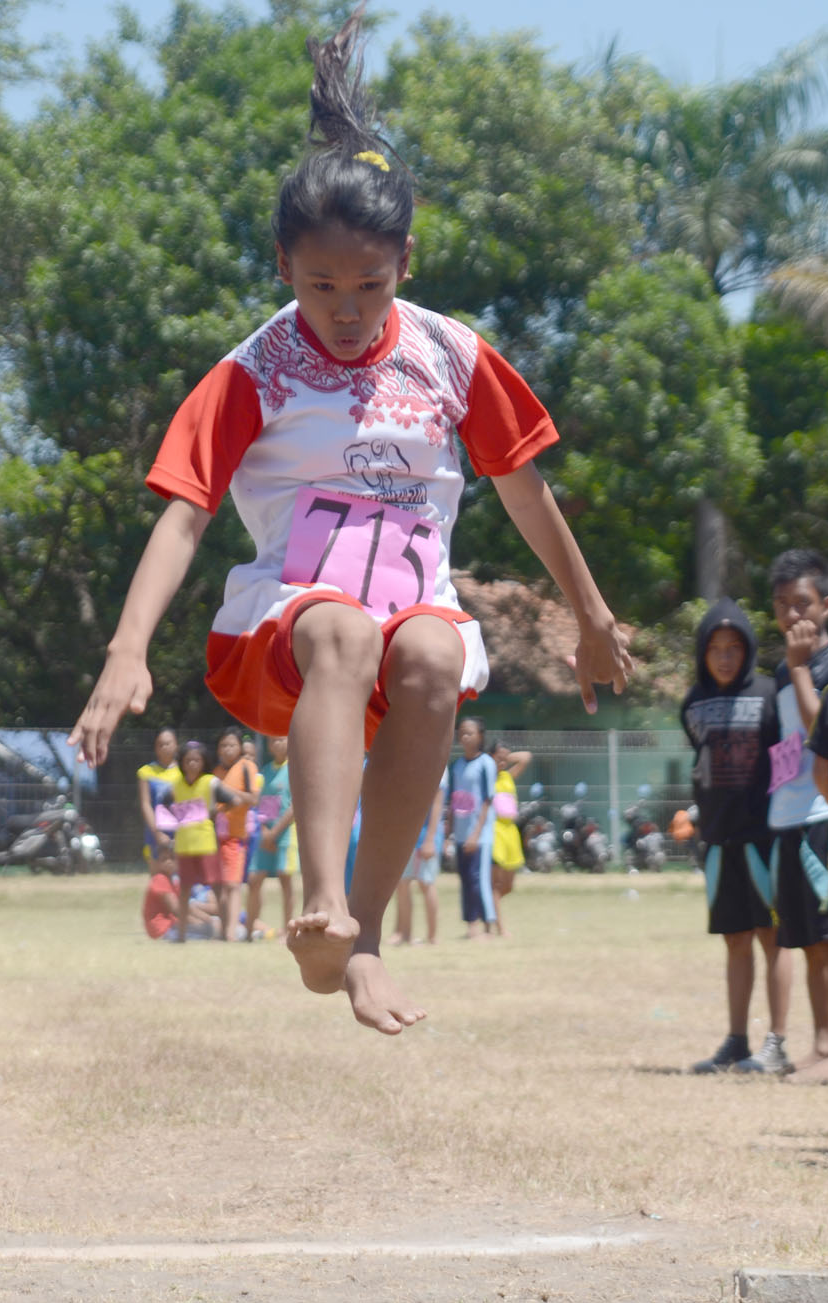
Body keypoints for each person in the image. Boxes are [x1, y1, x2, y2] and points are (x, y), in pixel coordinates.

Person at [68, 7, 631, 1033]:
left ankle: (361, 937)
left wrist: (589, 614)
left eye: (368, 284)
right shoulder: (256, 368)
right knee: (344, 627)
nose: (344, 307)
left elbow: (520, 484)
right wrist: (126, 648)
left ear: (405, 264)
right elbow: (187, 512)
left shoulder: (449, 355)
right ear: (283, 266)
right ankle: (320, 899)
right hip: (287, 634)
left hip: (403, 622)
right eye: (320, 284)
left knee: (423, 648)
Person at [679, 599, 792, 1074]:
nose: (724, 657)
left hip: (764, 840)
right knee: (735, 941)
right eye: (715, 648)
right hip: (719, 843)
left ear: (747, 651)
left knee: (773, 938)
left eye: (734, 648)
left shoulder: (770, 695)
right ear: (703, 653)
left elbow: (786, 763)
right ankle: (736, 1041)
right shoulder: (692, 703)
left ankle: (777, 1043)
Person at [767, 550, 828, 1073]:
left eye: (803, 604)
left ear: (827, 606)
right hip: (788, 817)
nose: (793, 616)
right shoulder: (780, 670)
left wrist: (799, 671)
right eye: (782, 606)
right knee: (807, 942)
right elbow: (787, 747)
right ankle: (822, 1043)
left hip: (827, 814)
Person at [171, 741, 254, 943]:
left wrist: (215, 812)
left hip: (206, 843)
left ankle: (226, 932)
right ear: (182, 762)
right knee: (184, 891)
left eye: (196, 760)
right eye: (188, 760)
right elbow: (165, 808)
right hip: (184, 844)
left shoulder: (210, 782)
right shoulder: (175, 785)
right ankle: (181, 935)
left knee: (218, 889)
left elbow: (234, 801)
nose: (192, 764)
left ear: (203, 761)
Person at [245, 735, 299, 941]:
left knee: (285, 880)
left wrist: (276, 832)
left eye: (281, 740)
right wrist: (266, 830)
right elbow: (263, 803)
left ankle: (288, 930)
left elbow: (294, 806)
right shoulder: (265, 771)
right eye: (273, 741)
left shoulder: (295, 768)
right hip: (265, 833)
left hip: (285, 834)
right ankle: (249, 930)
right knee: (255, 879)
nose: (277, 744)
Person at [448, 718, 498, 938]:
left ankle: (488, 924)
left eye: (470, 733)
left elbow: (487, 800)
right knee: (466, 879)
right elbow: (452, 801)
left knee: (479, 879)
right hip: (460, 832)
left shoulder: (486, 763)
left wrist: (476, 833)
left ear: (480, 736)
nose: (465, 737)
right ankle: (471, 924)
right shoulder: (456, 766)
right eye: (462, 733)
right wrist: (450, 831)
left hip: (480, 835)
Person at [390, 768, 447, 944]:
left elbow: (438, 804)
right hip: (406, 836)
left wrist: (430, 839)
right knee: (402, 883)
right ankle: (405, 934)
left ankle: (432, 936)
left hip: (426, 837)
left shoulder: (438, 765)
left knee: (426, 883)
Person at [213, 727, 260, 940]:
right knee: (220, 886)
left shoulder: (246, 767)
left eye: (232, 745)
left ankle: (231, 932)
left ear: (240, 747)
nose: (227, 749)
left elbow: (253, 799)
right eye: (223, 745)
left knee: (233, 885)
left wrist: (230, 793)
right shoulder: (216, 772)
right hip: (215, 837)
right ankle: (224, 931)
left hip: (236, 836)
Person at [490, 741, 532, 935]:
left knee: (508, 885)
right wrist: (493, 760)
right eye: (498, 757)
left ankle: (488, 907)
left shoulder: (507, 776)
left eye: (504, 758)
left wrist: (506, 757)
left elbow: (526, 757)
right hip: (495, 830)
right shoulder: (488, 777)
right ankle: (499, 928)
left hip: (511, 832)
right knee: (495, 884)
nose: (502, 762)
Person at [143, 841, 221, 941]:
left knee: (212, 925)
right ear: (157, 863)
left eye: (172, 858)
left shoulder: (174, 882)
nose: (168, 862)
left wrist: (207, 919)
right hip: (164, 930)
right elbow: (177, 910)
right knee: (210, 930)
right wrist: (200, 923)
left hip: (174, 925)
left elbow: (188, 908)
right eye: (164, 859)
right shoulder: (160, 879)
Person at [137, 728, 180, 873]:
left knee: (180, 881)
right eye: (160, 744)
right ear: (155, 748)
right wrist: (157, 833)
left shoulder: (185, 771)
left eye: (168, 743)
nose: (164, 747)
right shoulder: (146, 772)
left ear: (176, 745)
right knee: (158, 880)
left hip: (180, 832)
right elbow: (145, 804)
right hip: (155, 832)